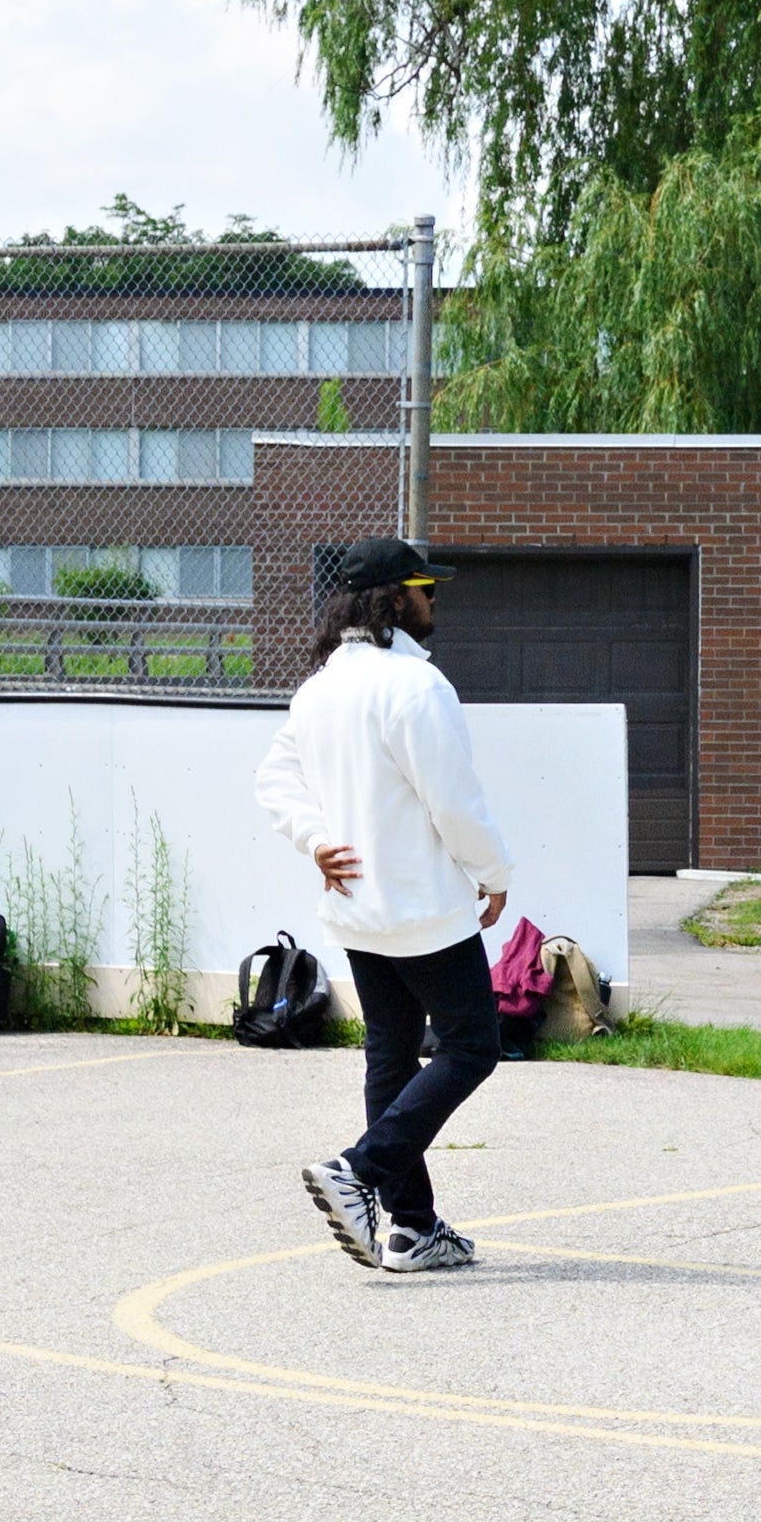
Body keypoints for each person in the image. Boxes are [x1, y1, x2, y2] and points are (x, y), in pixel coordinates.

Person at [254, 538, 519, 1276]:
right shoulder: (414, 687)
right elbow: (454, 800)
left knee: (391, 1054)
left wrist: (314, 841)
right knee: (473, 1046)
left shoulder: (318, 689)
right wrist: (493, 873)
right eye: (428, 589)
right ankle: (360, 1170)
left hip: (358, 910)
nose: (436, 602)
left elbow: (273, 778)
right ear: (396, 598)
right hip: (423, 907)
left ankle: (411, 1228)